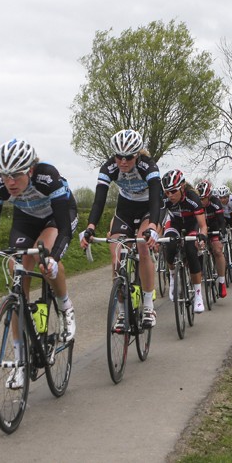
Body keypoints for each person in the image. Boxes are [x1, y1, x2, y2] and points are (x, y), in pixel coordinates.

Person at [0, 138, 78, 389]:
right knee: (17, 271)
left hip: (58, 216)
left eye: (16, 175)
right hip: (26, 219)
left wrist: (54, 258)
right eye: (5, 175)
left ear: (30, 170)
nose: (10, 182)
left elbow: (64, 229)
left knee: (44, 257)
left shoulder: (47, 176)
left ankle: (65, 307)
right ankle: (20, 361)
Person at [80, 129, 161, 327]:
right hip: (125, 207)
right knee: (116, 258)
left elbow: (157, 199)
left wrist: (152, 226)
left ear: (137, 154)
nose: (123, 162)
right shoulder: (108, 167)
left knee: (142, 247)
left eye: (128, 157)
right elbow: (99, 200)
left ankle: (149, 306)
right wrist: (90, 227)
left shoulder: (148, 166)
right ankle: (123, 312)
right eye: (119, 157)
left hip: (148, 208)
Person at [161, 169, 209, 313]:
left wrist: (202, 237)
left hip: (191, 225)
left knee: (191, 251)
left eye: (173, 191)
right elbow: (158, 220)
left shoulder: (193, 198)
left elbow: (203, 225)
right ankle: (173, 278)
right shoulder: (165, 199)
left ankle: (199, 296)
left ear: (182, 187)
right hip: (174, 223)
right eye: (167, 192)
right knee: (168, 246)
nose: (170, 195)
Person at [196, 179, 227, 298]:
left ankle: (222, 282)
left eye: (203, 199)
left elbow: (221, 221)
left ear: (209, 196)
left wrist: (221, 233)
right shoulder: (196, 203)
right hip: (201, 228)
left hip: (214, 227)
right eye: (200, 199)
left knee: (218, 250)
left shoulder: (215, 202)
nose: (201, 201)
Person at [215, 185, 232, 276]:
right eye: (221, 198)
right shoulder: (216, 201)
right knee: (220, 236)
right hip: (223, 218)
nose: (223, 200)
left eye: (225, 198)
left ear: (228, 196)